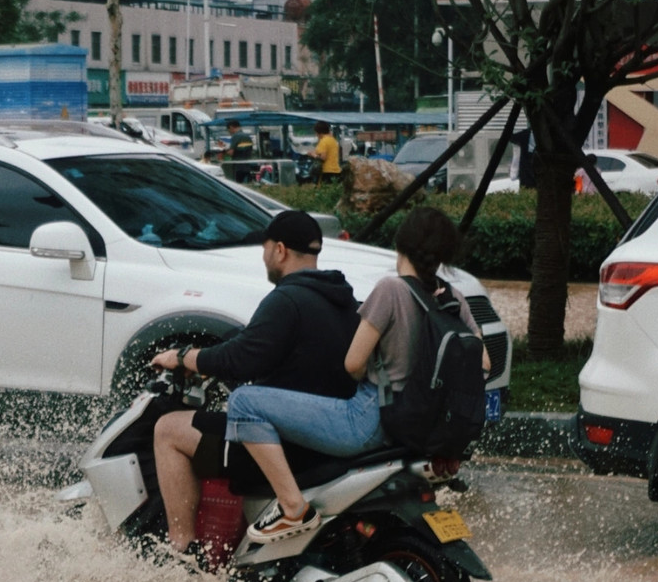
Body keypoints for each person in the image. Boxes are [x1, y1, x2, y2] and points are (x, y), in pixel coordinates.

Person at [205, 206, 491, 544]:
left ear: (401, 244)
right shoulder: (452, 298)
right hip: (420, 427)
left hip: (369, 421)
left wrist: (383, 367)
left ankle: (292, 508)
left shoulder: (391, 290)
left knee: (244, 402)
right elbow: (484, 362)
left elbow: (353, 363)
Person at [149, 210, 361, 555]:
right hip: (323, 435)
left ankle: (180, 550)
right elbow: (258, 348)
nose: (263, 258)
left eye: (264, 249)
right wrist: (213, 361)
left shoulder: (287, 299)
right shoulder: (341, 299)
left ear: (279, 250)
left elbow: (242, 357)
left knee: (168, 430)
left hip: (282, 444)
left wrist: (183, 356)